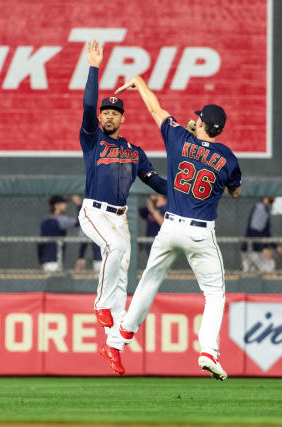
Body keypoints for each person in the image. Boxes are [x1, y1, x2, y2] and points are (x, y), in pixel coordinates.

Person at [115, 77, 242, 380]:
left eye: (198, 117)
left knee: (149, 280)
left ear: (200, 123)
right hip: (200, 232)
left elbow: (156, 110)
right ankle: (208, 352)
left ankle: (124, 333)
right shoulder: (227, 157)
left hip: (170, 226)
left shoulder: (179, 139)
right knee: (214, 295)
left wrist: (140, 84)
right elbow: (235, 192)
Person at [77, 40, 167, 375]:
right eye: (106, 112)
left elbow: (155, 181)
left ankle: (113, 347)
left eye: (115, 112)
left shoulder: (134, 150)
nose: (109, 115)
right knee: (113, 251)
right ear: (100, 118)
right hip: (94, 211)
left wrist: (179, 190)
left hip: (120, 218)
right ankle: (100, 306)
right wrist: (93, 68)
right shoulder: (92, 139)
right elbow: (88, 104)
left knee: (121, 287)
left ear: (122, 119)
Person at [241, 197, 282, 272]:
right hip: (252, 250)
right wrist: (263, 248)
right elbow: (253, 231)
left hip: (257, 249)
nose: (274, 197)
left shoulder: (266, 208)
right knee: (269, 266)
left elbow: (266, 233)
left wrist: (276, 247)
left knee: (264, 268)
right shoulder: (260, 209)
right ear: (265, 198)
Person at [38, 195, 81, 272]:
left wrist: (41, 260)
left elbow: (40, 244)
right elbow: (79, 222)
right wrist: (78, 205)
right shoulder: (61, 220)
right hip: (56, 260)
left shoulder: (45, 222)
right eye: (63, 203)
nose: (65, 205)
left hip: (45, 260)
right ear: (56, 205)